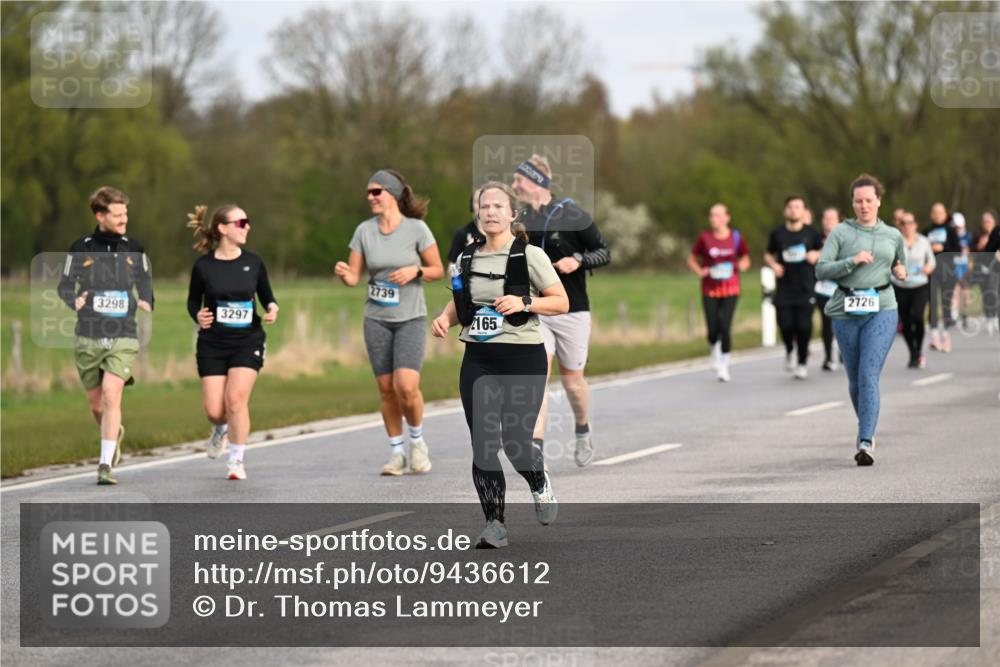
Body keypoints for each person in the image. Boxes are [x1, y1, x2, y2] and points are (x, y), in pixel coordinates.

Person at [432, 182, 568, 548]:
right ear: (477, 213)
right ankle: (495, 523)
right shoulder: (466, 257)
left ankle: (539, 482)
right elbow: (463, 303)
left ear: (512, 213)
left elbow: (560, 302)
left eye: (498, 206)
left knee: (516, 444)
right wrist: (445, 318)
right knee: (483, 443)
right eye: (484, 206)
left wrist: (524, 302)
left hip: (523, 357)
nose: (490, 211)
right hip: (479, 357)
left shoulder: (529, 255)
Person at [335, 170, 443, 476]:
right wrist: (345, 275)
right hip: (376, 318)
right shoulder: (363, 231)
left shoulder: (417, 229)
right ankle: (396, 453)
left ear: (392, 194)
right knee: (386, 388)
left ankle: (417, 442)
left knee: (406, 386)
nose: (370, 197)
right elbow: (355, 278)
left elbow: (438, 270)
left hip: (410, 317)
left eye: (376, 192)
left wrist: (416, 271)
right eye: (368, 192)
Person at [513, 154, 610, 468]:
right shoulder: (520, 220)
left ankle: (582, 428)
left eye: (519, 180)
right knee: (537, 376)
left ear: (538, 180)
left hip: (573, 310)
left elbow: (604, 251)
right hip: (537, 310)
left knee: (572, 383)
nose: (514, 186)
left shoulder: (572, 213)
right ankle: (536, 446)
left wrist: (578, 260)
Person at [58, 186, 154, 485]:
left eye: (126, 213)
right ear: (100, 215)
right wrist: (74, 301)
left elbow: (145, 280)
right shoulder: (80, 247)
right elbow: (64, 285)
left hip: (123, 332)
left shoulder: (134, 248)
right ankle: (115, 433)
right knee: (97, 405)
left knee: (113, 394)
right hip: (88, 333)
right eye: (118, 214)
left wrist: (147, 299)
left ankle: (104, 465)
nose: (125, 218)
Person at [816, 174, 907, 466]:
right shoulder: (841, 233)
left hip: (882, 307)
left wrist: (900, 271)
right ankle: (866, 427)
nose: (864, 206)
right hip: (846, 309)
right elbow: (821, 270)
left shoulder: (892, 234)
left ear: (879, 201)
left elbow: (898, 262)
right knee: (855, 380)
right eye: (858, 201)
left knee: (868, 373)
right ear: (852, 203)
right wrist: (851, 261)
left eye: (869, 200)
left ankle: (865, 440)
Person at [186, 204, 278, 481]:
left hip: (247, 340)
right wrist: (197, 315)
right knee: (215, 411)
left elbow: (267, 296)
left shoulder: (254, 262)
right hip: (213, 343)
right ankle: (221, 428)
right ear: (223, 228)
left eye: (247, 222)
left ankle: (236, 461)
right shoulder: (204, 266)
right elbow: (193, 301)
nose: (247, 226)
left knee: (236, 400)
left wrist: (273, 308)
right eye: (241, 222)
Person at [688, 203, 751, 382]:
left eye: (717, 215)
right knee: (712, 329)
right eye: (711, 215)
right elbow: (692, 259)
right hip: (710, 289)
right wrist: (700, 271)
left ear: (726, 217)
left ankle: (724, 365)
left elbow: (745, 257)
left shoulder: (736, 237)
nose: (713, 219)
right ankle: (713, 347)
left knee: (725, 327)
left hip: (731, 288)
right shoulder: (705, 238)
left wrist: (742, 266)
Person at [764, 196, 823, 379]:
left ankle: (802, 362)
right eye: (790, 206)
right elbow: (768, 254)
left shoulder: (811, 233)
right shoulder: (778, 234)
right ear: (785, 210)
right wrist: (773, 265)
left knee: (804, 326)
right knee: (785, 324)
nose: (793, 210)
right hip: (784, 288)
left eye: (797, 207)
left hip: (806, 287)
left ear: (803, 210)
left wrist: (816, 254)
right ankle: (790, 350)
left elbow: (825, 251)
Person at [891, 212, 936, 368]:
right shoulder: (896, 242)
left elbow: (931, 261)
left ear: (915, 225)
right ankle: (913, 352)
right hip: (900, 286)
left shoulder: (923, 241)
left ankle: (918, 350)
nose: (907, 226)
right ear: (900, 226)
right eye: (904, 223)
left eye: (910, 223)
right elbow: (889, 261)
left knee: (917, 317)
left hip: (919, 285)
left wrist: (928, 268)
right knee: (906, 322)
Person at [925, 202, 960, 352]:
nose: (937, 215)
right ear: (931, 214)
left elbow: (957, 251)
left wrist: (943, 248)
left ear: (946, 214)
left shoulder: (951, 230)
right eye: (934, 212)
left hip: (947, 271)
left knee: (946, 304)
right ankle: (934, 337)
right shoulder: (926, 230)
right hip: (931, 271)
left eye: (940, 212)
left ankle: (945, 337)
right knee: (932, 303)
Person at [815, 207, 841, 370]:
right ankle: (828, 357)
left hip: (843, 289)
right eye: (826, 218)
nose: (829, 221)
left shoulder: (846, 238)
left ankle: (843, 351)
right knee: (826, 323)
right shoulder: (815, 239)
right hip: (823, 289)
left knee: (842, 322)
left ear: (838, 220)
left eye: (832, 218)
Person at [972, 209, 999, 335]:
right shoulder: (977, 235)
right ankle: (989, 317)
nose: (986, 223)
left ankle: (995, 316)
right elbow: (972, 250)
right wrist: (979, 246)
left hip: (996, 269)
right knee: (986, 293)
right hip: (982, 268)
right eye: (984, 221)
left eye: (989, 221)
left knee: (995, 292)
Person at [446, 188, 485, 273]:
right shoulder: (462, 233)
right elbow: (451, 270)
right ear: (471, 205)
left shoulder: (504, 233)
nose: (481, 205)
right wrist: (466, 255)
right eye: (477, 201)